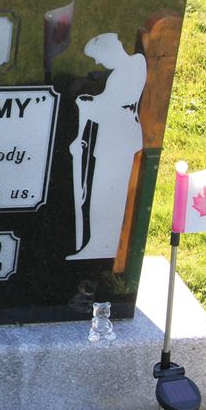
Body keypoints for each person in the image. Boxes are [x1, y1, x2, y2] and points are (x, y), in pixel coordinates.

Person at [66, 33, 146, 261]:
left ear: (111, 49)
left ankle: (104, 245)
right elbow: (111, 102)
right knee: (101, 192)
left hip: (118, 142)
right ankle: (98, 243)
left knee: (107, 193)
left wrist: (87, 104)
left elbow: (114, 106)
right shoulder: (125, 71)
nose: (98, 63)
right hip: (112, 140)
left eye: (98, 57)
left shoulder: (131, 68)